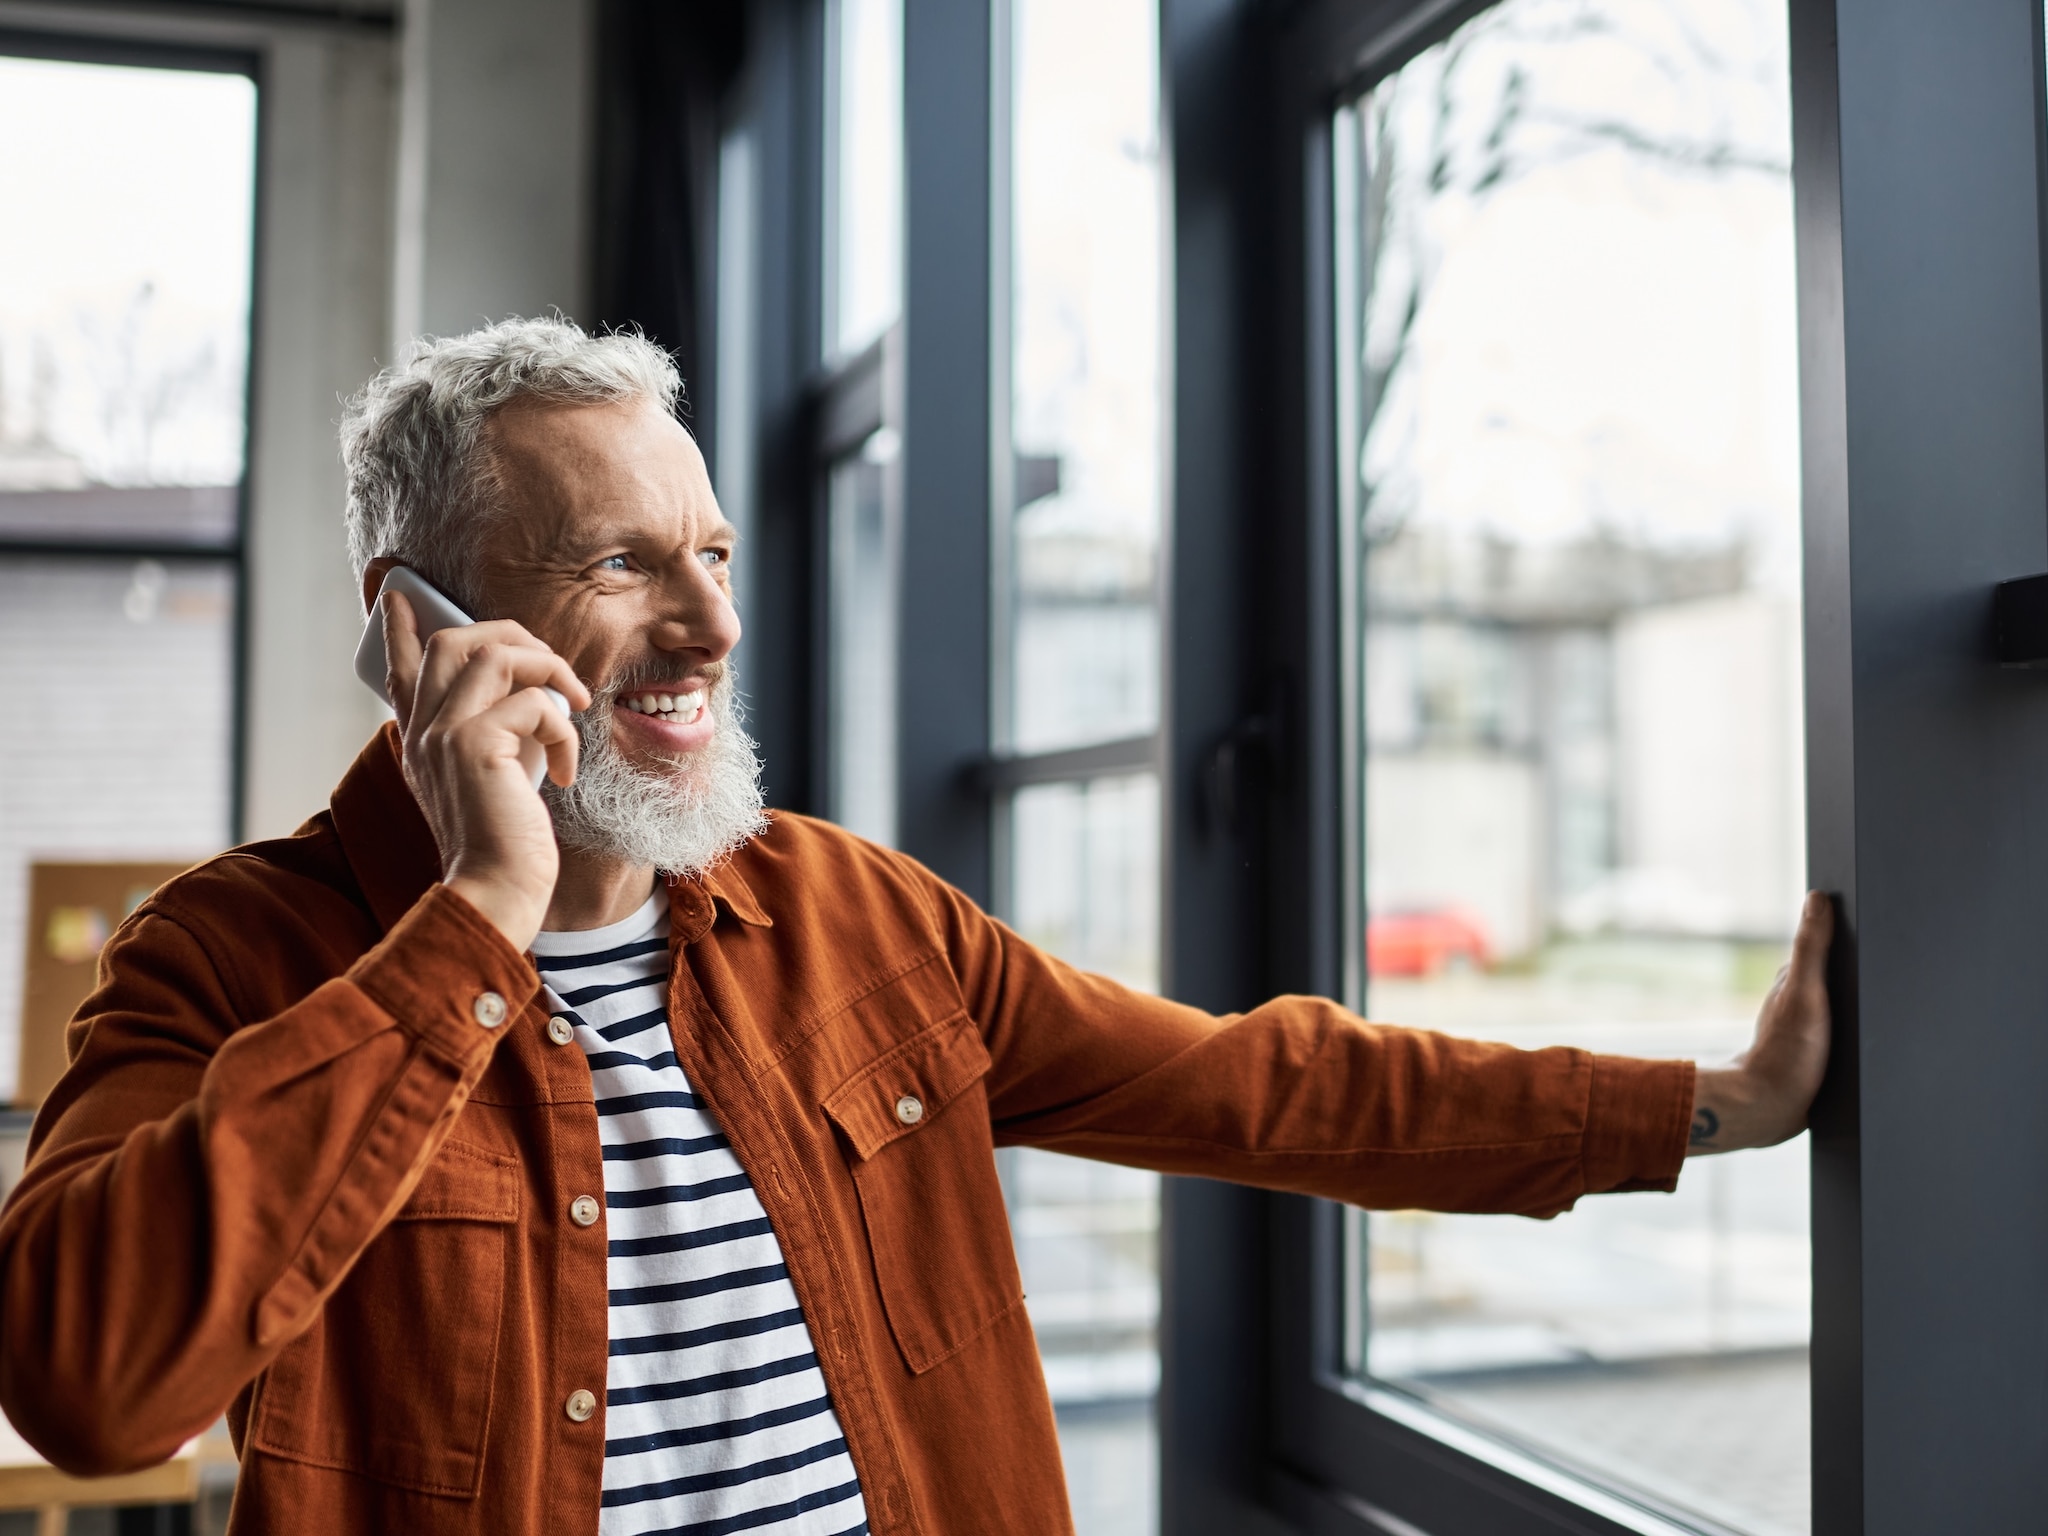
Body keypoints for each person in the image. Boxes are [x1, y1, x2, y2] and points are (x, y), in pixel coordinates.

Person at [0, 319, 1832, 1536]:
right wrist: (479, 914)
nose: (710, 628)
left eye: (713, 554)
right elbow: (91, 1390)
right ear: (417, 629)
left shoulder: (853, 918)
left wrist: (1708, 1104)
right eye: (625, 562)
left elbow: (1261, 1088)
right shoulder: (227, 962)